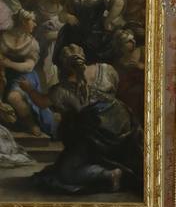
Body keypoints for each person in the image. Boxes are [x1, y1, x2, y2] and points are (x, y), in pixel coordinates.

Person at [24, 44, 143, 194]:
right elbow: (115, 90)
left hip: (95, 136)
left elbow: (41, 102)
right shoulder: (106, 69)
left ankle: (111, 174)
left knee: (66, 173)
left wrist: (28, 89)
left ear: (64, 66)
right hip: (124, 124)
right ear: (83, 57)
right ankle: (113, 169)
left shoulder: (61, 90)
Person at [0, 9, 54, 137]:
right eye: (33, 21)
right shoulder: (3, 37)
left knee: (14, 97)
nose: (35, 24)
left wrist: (8, 64)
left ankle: (30, 123)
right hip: (3, 73)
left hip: (23, 76)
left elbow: (29, 66)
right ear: (24, 21)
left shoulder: (32, 43)